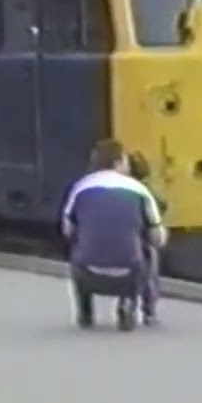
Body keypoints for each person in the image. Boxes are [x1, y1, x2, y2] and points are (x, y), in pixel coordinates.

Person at [62, 140, 166, 331]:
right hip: (129, 272)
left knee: (77, 250)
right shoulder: (140, 190)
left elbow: (67, 230)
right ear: (118, 162)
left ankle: (85, 312)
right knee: (150, 252)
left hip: (87, 271)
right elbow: (157, 237)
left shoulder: (80, 188)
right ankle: (138, 306)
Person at [127, 152, 166, 325]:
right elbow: (160, 207)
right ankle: (149, 310)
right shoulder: (145, 190)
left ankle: (130, 303)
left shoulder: (119, 189)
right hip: (142, 239)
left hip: (127, 239)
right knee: (150, 269)